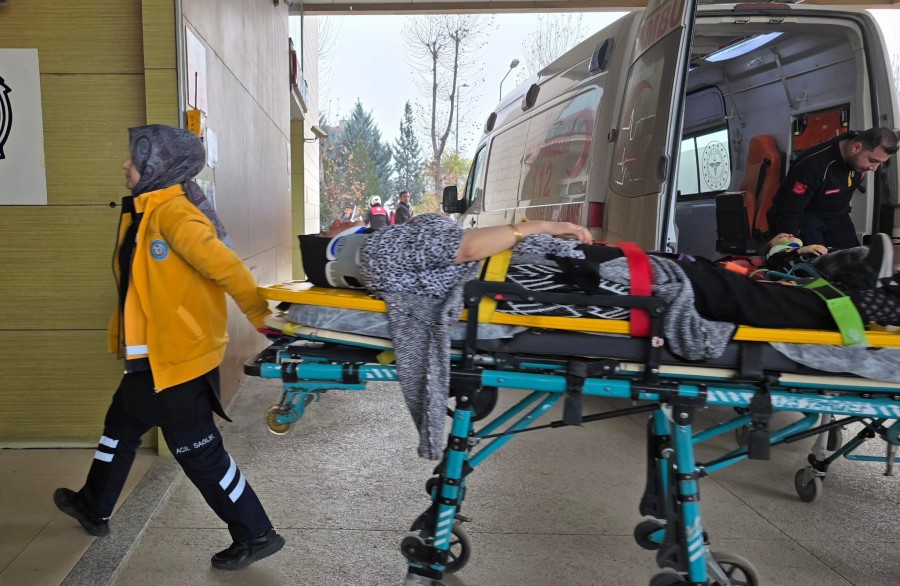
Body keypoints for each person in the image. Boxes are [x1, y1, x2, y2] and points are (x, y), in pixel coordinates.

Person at [53, 125, 284, 571]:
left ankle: (256, 533)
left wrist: (262, 318)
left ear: (157, 166)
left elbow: (229, 269)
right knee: (120, 427)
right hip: (150, 361)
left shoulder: (175, 215)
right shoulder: (146, 211)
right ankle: (93, 504)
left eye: (134, 159)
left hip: (178, 362)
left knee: (199, 453)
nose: (125, 165)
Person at [767, 127, 898, 249]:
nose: (874, 168)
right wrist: (792, 249)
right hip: (805, 216)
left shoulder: (858, 152)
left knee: (854, 258)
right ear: (856, 148)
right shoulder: (813, 165)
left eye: (880, 163)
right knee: (815, 260)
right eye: (873, 161)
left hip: (837, 215)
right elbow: (790, 211)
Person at [763, 231, 893, 291]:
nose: (789, 235)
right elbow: (775, 262)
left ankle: (876, 276)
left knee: (859, 255)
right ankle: (876, 274)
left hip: (816, 268)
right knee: (858, 254)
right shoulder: (775, 254)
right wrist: (800, 251)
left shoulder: (803, 250)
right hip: (808, 269)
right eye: (781, 236)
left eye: (790, 235)